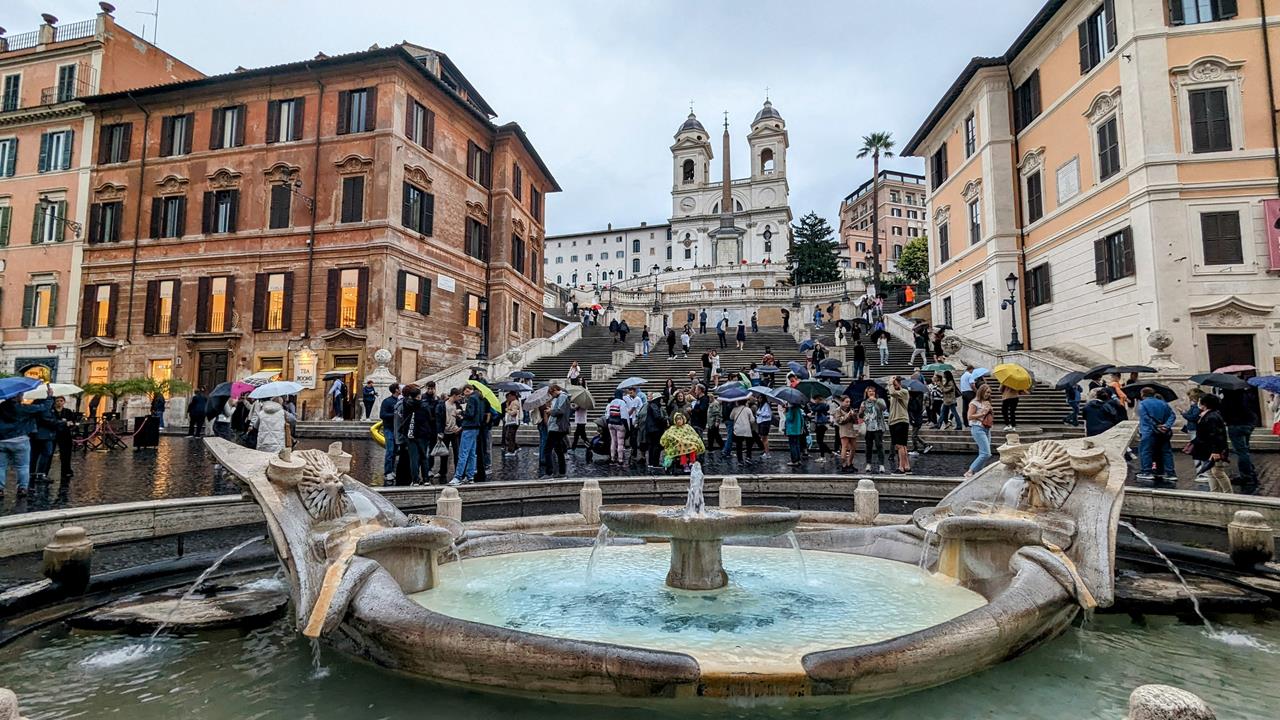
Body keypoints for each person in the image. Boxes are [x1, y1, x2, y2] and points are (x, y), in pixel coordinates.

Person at [0, 387, 53, 498]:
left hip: (2, 440)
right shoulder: (22, 408)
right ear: (17, 396)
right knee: (23, 466)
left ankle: (0, 489)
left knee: (1, 466)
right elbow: (43, 408)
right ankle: (22, 488)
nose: (22, 397)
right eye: (21, 395)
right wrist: (49, 396)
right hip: (20, 440)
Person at [1189, 393, 1232, 493]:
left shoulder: (1212, 416)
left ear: (1205, 404)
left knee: (1217, 471)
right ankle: (1214, 492)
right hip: (1208, 448)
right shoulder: (1207, 415)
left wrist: (1216, 451)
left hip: (1214, 449)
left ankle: (1228, 493)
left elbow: (1216, 435)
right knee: (1210, 472)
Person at [1220, 386, 1258, 493]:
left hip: (1236, 425)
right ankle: (1250, 472)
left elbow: (1223, 413)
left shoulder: (1228, 399)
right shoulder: (1246, 396)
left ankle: (1246, 476)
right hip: (1248, 424)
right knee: (1245, 450)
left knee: (1241, 451)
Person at [1136, 387, 1176, 484]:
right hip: (1163, 432)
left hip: (1148, 431)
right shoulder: (1163, 403)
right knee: (1166, 451)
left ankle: (1147, 471)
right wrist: (1166, 426)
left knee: (1146, 451)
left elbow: (1145, 417)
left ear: (1142, 394)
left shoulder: (1142, 404)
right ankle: (1170, 473)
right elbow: (1172, 415)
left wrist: (1156, 426)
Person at [450, 385, 483, 485]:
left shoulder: (472, 399)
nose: (464, 394)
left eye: (465, 391)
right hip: (476, 428)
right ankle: (470, 476)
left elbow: (470, 414)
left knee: (463, 453)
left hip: (469, 428)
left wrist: (461, 413)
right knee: (472, 454)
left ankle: (458, 477)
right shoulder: (479, 398)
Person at [965, 385, 995, 478]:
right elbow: (969, 416)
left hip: (987, 428)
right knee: (986, 453)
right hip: (977, 428)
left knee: (984, 453)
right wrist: (982, 412)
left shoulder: (987, 402)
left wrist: (990, 410)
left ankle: (977, 472)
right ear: (981, 392)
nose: (988, 394)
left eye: (989, 392)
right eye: (987, 392)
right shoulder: (974, 403)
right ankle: (970, 471)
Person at [858, 386, 887, 473]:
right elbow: (860, 416)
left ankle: (881, 465)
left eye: (872, 391)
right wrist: (861, 411)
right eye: (869, 391)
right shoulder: (864, 403)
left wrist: (875, 400)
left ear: (875, 392)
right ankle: (868, 464)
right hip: (868, 428)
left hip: (878, 427)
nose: (871, 393)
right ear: (866, 393)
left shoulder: (880, 400)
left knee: (879, 445)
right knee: (868, 446)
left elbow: (884, 407)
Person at [545, 384, 571, 478]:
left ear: (556, 390)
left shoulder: (562, 397)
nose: (552, 396)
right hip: (559, 427)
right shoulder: (563, 397)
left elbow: (560, 411)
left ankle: (549, 473)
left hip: (557, 427)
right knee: (559, 450)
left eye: (552, 393)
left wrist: (550, 411)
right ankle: (562, 472)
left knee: (547, 450)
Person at [887, 377, 911, 474]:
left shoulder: (904, 392)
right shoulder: (894, 395)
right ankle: (907, 466)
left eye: (895, 382)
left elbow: (892, 392)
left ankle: (901, 467)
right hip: (893, 421)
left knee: (900, 445)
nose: (894, 384)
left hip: (901, 420)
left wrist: (890, 383)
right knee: (902, 446)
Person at [438, 388, 462, 484]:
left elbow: (461, 417)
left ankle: (458, 472)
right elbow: (439, 418)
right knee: (444, 453)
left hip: (455, 431)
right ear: (454, 395)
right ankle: (443, 472)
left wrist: (459, 425)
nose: (460, 398)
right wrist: (439, 432)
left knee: (457, 453)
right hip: (445, 431)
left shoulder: (458, 405)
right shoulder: (443, 404)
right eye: (459, 396)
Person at [379, 383, 401, 483]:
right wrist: (394, 415)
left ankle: (391, 470)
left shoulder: (399, 401)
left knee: (395, 451)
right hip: (388, 428)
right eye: (399, 388)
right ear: (396, 390)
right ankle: (387, 472)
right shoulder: (387, 401)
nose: (401, 389)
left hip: (397, 429)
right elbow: (382, 415)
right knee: (390, 450)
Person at [51, 397, 77, 481]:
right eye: (57, 401)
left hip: (65, 434)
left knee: (66, 454)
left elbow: (72, 422)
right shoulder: (51, 411)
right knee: (49, 453)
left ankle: (66, 470)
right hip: (53, 434)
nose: (59, 402)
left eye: (61, 401)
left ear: (64, 402)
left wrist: (70, 423)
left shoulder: (67, 411)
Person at [644, 392, 670, 469]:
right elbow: (657, 417)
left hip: (651, 429)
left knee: (652, 446)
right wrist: (666, 419)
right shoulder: (654, 406)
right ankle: (655, 463)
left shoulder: (651, 405)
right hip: (655, 429)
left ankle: (651, 462)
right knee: (656, 446)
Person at [835, 395, 860, 470]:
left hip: (852, 430)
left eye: (849, 402)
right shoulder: (838, 410)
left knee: (853, 447)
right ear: (842, 402)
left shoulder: (851, 409)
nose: (848, 403)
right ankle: (843, 465)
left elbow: (856, 421)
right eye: (846, 402)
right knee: (844, 447)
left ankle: (850, 463)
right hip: (844, 430)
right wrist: (847, 415)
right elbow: (839, 421)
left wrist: (854, 415)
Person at [605, 396, 628, 465]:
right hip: (619, 424)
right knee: (620, 442)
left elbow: (607, 415)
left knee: (613, 441)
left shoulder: (611, 402)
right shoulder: (622, 403)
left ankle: (612, 458)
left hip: (611, 423)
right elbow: (624, 416)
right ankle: (620, 460)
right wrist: (627, 427)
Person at [784, 400, 806, 467]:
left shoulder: (791, 409)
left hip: (791, 430)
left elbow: (789, 418)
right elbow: (802, 419)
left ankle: (794, 460)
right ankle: (798, 459)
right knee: (797, 445)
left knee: (792, 445)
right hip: (797, 430)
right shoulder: (798, 409)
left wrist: (785, 413)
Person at [811, 396, 832, 463]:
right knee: (820, 441)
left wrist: (812, 403)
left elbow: (814, 409)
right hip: (820, 425)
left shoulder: (822, 405)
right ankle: (830, 453)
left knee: (820, 441)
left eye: (815, 399)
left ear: (819, 399)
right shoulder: (822, 405)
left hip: (821, 425)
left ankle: (823, 456)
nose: (815, 400)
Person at [502, 391, 521, 456]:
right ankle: (516, 447)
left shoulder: (515, 402)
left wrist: (507, 410)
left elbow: (513, 413)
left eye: (510, 396)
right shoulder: (513, 402)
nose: (509, 397)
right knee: (510, 435)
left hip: (513, 422)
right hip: (512, 422)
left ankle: (511, 451)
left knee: (510, 436)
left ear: (513, 396)